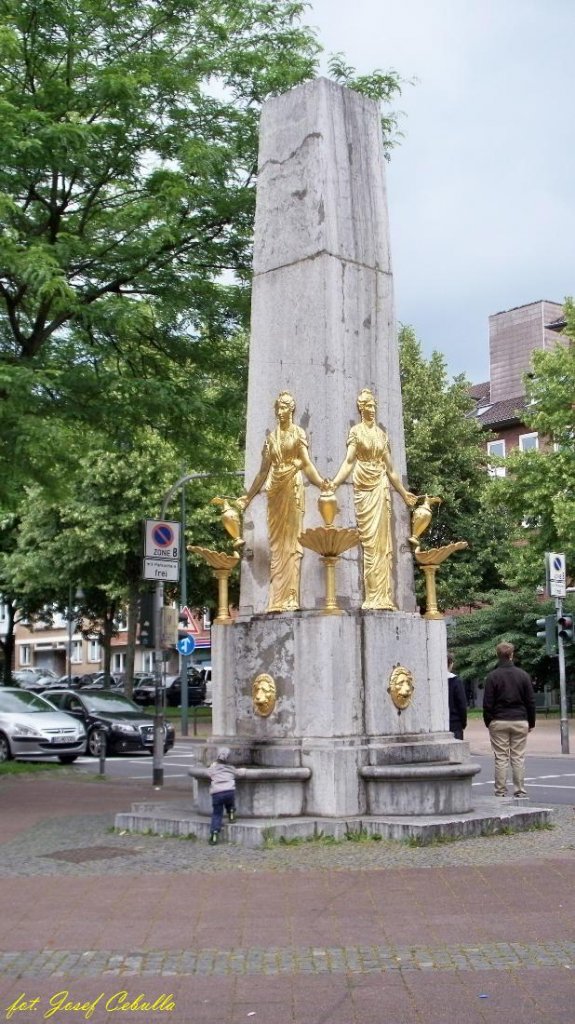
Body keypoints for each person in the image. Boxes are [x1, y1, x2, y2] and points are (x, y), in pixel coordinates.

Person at [237, 391, 330, 612]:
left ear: (292, 410)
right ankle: (276, 597)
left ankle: (291, 595)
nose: (280, 412)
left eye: (284, 408)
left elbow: (307, 464)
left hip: (293, 488)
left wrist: (322, 484)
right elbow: (261, 473)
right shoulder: (271, 439)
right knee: (277, 544)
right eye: (278, 408)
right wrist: (247, 497)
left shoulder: (298, 434)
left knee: (293, 542)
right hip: (275, 491)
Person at [330, 388, 417, 609]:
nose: (371, 409)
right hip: (363, 488)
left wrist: (404, 492)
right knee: (368, 542)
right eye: (367, 406)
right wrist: (334, 483)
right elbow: (349, 462)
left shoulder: (381, 435)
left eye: (373, 406)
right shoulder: (357, 432)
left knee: (382, 543)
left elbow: (391, 469)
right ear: (361, 408)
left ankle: (383, 596)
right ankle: (371, 596)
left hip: (380, 487)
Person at [482, 641, 536, 798]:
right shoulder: (523, 675)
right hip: (519, 720)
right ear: (512, 655)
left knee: (501, 757)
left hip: (499, 720)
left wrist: (489, 721)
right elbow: (530, 701)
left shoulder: (492, 677)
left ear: (497, 655)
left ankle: (500, 791)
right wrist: (531, 722)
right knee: (518, 757)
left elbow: (487, 703)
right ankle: (519, 790)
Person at [207, 747, 244, 845]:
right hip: (229, 792)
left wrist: (212, 766)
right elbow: (239, 773)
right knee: (230, 803)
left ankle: (214, 834)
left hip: (217, 794)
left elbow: (207, 773)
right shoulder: (231, 768)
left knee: (217, 814)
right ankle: (231, 813)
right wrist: (244, 770)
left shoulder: (214, 768)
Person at [447, 652, 467, 740]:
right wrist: (463, 722)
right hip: (455, 723)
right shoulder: (456, 681)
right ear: (451, 664)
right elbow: (462, 704)